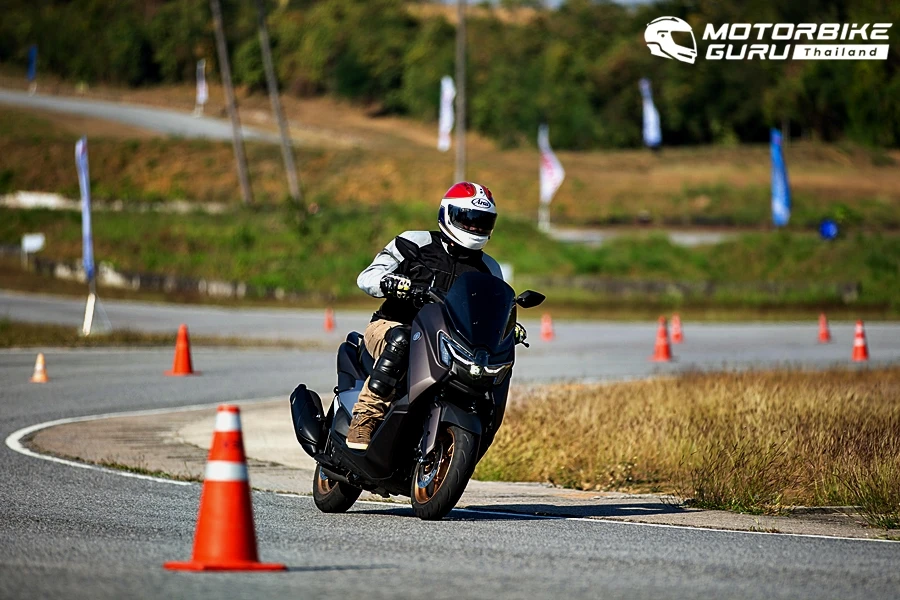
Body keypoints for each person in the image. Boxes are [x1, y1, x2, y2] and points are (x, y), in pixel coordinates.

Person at [347, 181, 526, 450]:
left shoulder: (489, 268)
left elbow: (494, 308)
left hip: (446, 342)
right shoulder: (413, 242)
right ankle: (364, 418)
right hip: (391, 326)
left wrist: (508, 326)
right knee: (402, 340)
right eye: (468, 219)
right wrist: (390, 283)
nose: (474, 227)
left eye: (482, 222)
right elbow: (367, 277)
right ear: (447, 214)